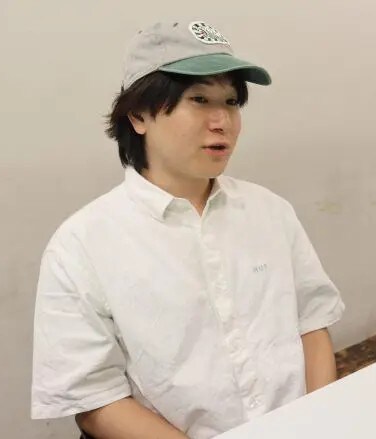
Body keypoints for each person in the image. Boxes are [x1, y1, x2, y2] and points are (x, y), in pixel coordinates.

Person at [31, 20, 345, 439]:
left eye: (231, 101)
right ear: (138, 115)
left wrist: (320, 419)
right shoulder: (81, 245)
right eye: (199, 99)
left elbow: (311, 322)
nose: (223, 121)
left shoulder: (269, 212)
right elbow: (94, 399)